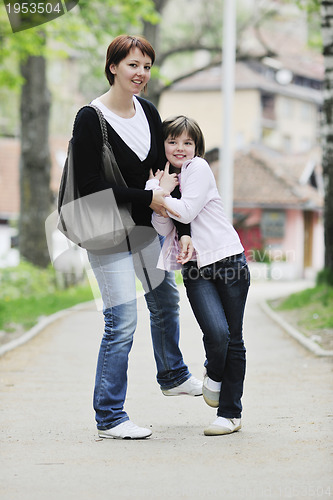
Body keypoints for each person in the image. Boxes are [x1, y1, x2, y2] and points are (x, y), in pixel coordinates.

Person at [72, 36, 202, 440]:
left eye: (146, 65)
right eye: (132, 65)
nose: (141, 73)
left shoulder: (147, 112)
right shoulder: (90, 118)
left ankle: (173, 375)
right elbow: (89, 185)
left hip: (147, 227)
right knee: (122, 320)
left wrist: (182, 228)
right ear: (113, 67)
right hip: (106, 231)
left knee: (165, 300)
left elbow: (165, 176)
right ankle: (110, 417)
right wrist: (148, 196)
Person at [146, 115, 250, 436]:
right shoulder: (165, 181)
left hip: (228, 260)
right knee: (216, 334)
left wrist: (159, 197)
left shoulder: (198, 169)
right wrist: (157, 189)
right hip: (194, 267)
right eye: (173, 141)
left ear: (196, 147)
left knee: (233, 337)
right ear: (162, 145)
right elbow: (163, 227)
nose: (180, 148)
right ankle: (213, 371)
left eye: (187, 142)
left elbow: (188, 211)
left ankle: (230, 413)